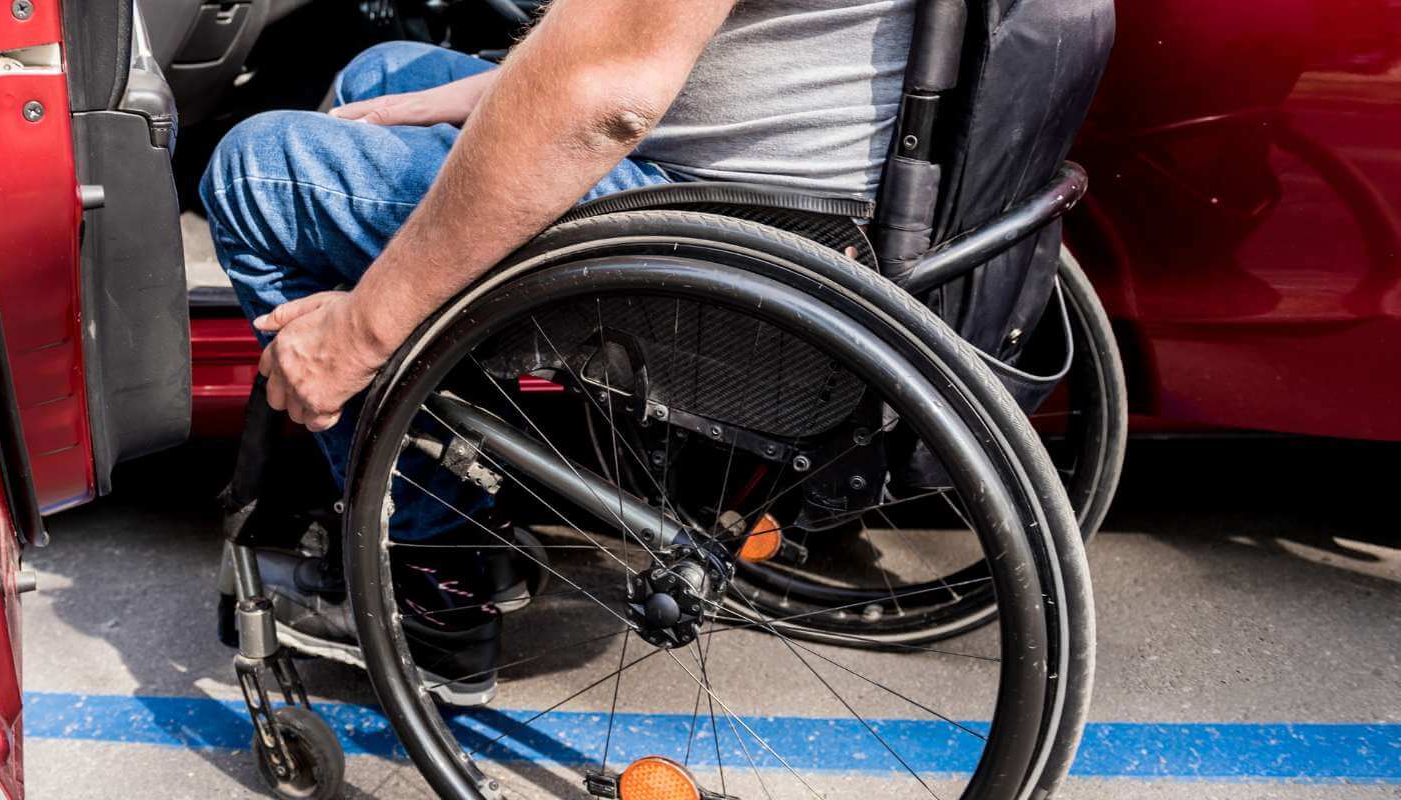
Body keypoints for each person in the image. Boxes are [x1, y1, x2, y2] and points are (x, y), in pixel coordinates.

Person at [201, 0, 912, 704]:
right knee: (381, 76)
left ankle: (433, 585)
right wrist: (449, 101)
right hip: (783, 184)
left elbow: (609, 96)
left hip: (720, 219)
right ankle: (462, 518)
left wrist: (361, 332)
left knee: (254, 175)